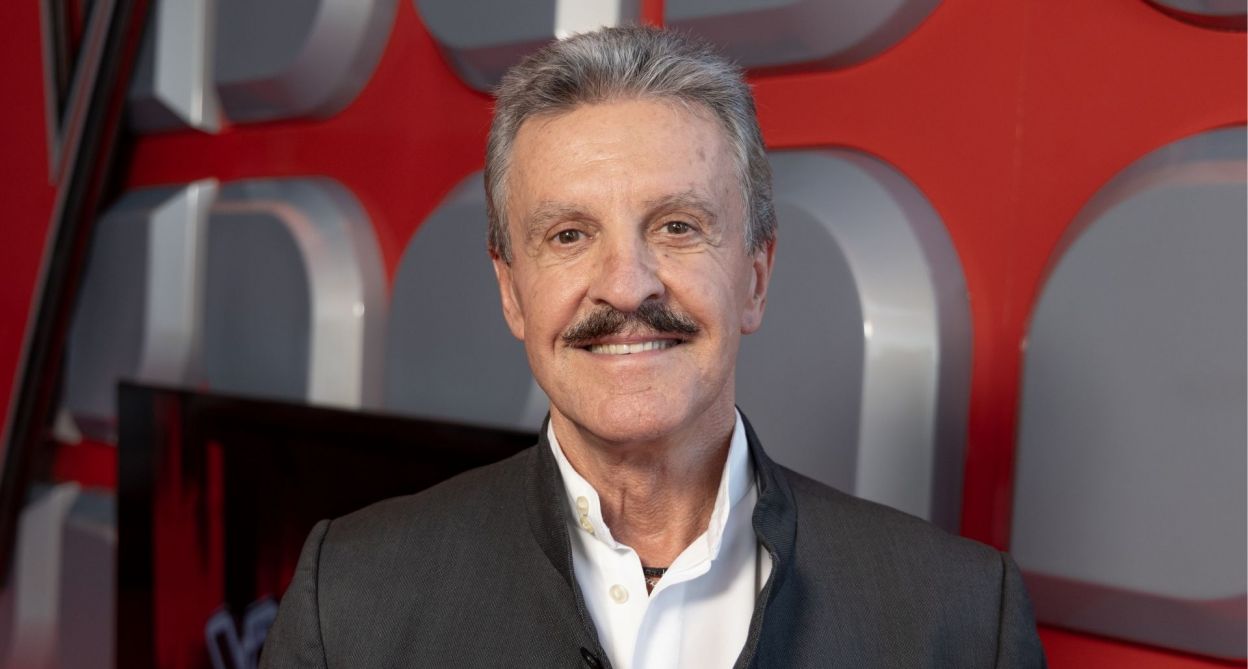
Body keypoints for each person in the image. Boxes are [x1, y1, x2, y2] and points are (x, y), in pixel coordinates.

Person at [260, 25, 1046, 668]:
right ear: (512, 292)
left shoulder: (960, 621)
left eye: (677, 226)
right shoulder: (353, 598)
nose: (627, 286)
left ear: (755, 278)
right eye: (569, 235)